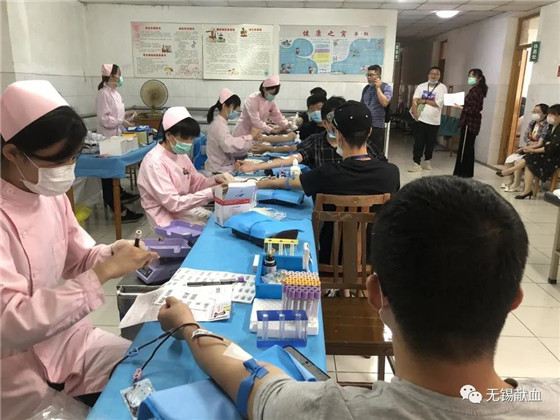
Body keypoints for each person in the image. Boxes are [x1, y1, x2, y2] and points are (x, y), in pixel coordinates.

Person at [157, 175, 559, 420]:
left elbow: (252, 379)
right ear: (514, 299)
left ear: (375, 293)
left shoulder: (332, 411)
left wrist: (188, 326)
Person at [0, 80, 158, 419]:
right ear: (12, 153)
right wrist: (103, 272)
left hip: (67, 342)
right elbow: (11, 325)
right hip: (16, 374)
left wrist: (111, 254)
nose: (68, 169)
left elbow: (79, 257)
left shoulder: (49, 195)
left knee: (154, 369)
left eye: (73, 157)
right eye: (59, 160)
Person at [255, 101, 399, 262]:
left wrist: (256, 183)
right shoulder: (391, 173)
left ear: (338, 135)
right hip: (373, 259)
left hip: (330, 257)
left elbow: (289, 182)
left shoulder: (327, 173)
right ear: (370, 132)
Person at [137, 107, 231, 227]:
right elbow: (173, 204)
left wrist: (214, 180)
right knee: (214, 230)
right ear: (169, 135)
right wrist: (210, 192)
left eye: (191, 139)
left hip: (183, 210)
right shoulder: (154, 163)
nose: (189, 143)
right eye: (185, 138)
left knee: (221, 223)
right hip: (165, 218)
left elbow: (195, 183)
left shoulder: (180, 154)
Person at [238, 97, 380, 174]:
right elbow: (292, 157)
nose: (337, 128)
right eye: (333, 124)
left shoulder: (365, 146)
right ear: (325, 123)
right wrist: (256, 167)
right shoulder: (316, 142)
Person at [95, 63, 143, 222]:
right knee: (108, 174)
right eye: (119, 74)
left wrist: (127, 115)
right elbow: (104, 119)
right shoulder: (103, 94)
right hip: (107, 138)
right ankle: (117, 208)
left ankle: (119, 195)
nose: (121, 77)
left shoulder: (115, 94)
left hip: (117, 135)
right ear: (111, 76)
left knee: (114, 173)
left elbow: (115, 115)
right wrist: (121, 121)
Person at [499, 104, 560, 200]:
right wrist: (533, 148)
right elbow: (545, 143)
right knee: (530, 160)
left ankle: (509, 171)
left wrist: (534, 149)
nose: (549, 116)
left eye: (552, 114)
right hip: (545, 153)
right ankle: (526, 190)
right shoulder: (550, 127)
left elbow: (551, 147)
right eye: (549, 114)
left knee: (531, 157)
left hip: (554, 158)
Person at [205, 88, 262, 174]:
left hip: (223, 165)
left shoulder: (221, 123)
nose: (236, 112)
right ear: (224, 106)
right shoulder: (219, 125)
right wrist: (250, 136)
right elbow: (229, 145)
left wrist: (250, 139)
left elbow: (229, 143)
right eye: (235, 109)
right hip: (218, 170)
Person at [408, 66, 448, 172]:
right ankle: (416, 163)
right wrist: (415, 113)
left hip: (434, 121)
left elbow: (438, 103)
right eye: (432, 73)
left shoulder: (442, 88)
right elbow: (415, 100)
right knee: (418, 142)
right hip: (421, 120)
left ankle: (427, 161)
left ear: (439, 76)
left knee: (430, 143)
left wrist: (424, 101)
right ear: (428, 75)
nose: (434, 76)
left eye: (436, 74)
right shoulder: (421, 86)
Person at [453, 68, 488, 178]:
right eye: (469, 76)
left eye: (473, 76)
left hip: (470, 123)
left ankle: (463, 172)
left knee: (466, 148)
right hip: (470, 122)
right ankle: (466, 172)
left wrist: (461, 108)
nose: (470, 78)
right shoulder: (475, 90)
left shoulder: (476, 91)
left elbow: (474, 110)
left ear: (479, 78)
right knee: (468, 147)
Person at [361, 64, 392, 154]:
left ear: (378, 76)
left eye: (371, 75)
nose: (368, 77)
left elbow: (385, 102)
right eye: (367, 75)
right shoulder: (366, 88)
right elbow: (361, 105)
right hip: (365, 126)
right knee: (365, 151)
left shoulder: (386, 87)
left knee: (376, 152)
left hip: (377, 126)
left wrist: (378, 88)